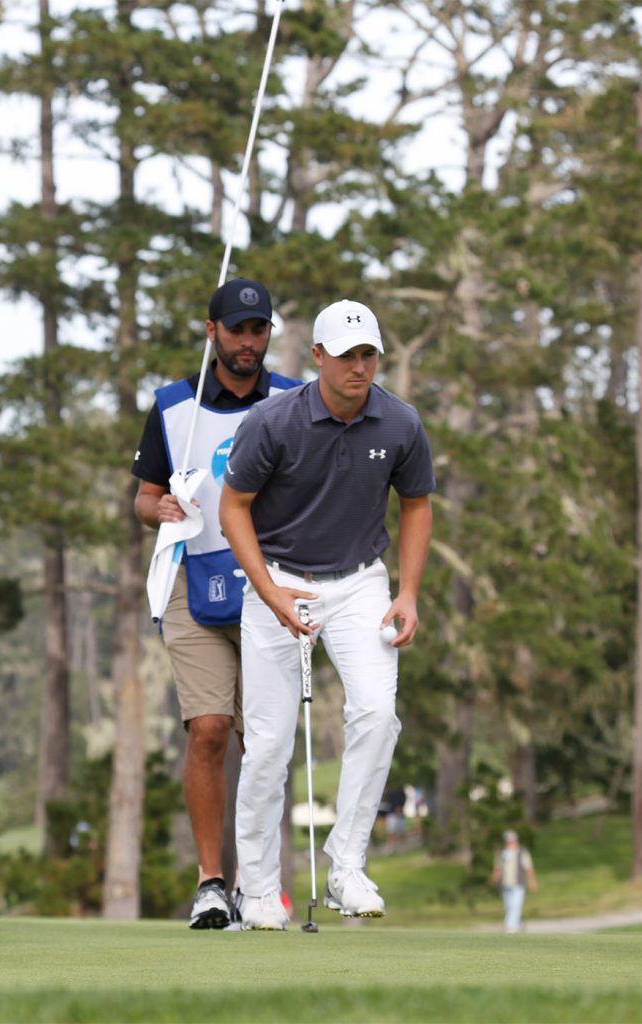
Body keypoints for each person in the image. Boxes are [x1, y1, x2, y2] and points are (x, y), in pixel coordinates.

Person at [219, 299, 436, 929]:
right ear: (318, 357)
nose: (360, 368)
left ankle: (346, 866)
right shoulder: (274, 422)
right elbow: (234, 508)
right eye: (347, 357)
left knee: (378, 712)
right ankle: (258, 889)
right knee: (267, 745)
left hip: (360, 583)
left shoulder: (400, 423)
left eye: (369, 355)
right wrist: (268, 592)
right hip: (278, 580)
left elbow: (417, 505)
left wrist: (409, 592)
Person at [131, 278, 301, 929]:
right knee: (208, 729)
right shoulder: (174, 407)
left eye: (259, 331)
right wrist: (161, 507)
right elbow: (144, 498)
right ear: (213, 333)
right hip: (191, 582)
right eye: (237, 330)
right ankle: (211, 883)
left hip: (271, 582)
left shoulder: (293, 400)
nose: (249, 343)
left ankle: (259, 885)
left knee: (262, 739)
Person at [491, 830, 538, 934]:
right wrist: (494, 879)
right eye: (508, 840)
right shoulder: (501, 852)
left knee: (515, 905)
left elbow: (529, 868)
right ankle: (518, 924)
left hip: (518, 883)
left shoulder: (522, 852)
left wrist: (532, 881)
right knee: (509, 906)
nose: (510, 842)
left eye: (511, 840)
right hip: (505, 884)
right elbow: (497, 868)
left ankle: (509, 926)